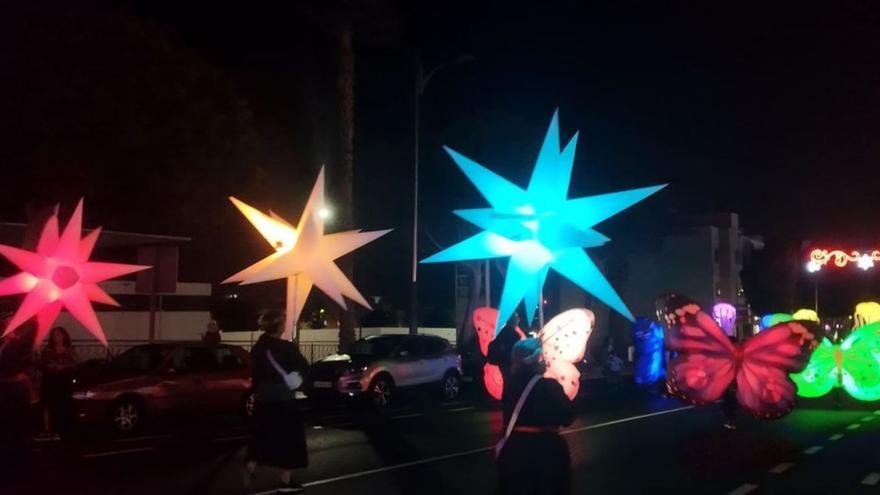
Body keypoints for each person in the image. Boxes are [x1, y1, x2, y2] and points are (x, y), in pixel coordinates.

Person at [497, 338, 576, 495]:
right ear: (535, 359)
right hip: (544, 452)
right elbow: (568, 415)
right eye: (542, 357)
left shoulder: (510, 384)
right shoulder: (548, 386)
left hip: (513, 450)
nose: (545, 362)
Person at [243, 309, 310, 493]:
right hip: (283, 398)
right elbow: (304, 368)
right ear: (280, 326)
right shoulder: (288, 348)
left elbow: (255, 374)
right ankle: (285, 481)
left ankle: (252, 462)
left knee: (263, 433)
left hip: (263, 397)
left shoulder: (258, 348)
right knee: (290, 438)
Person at [38, 327, 78, 440]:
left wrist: (63, 366)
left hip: (63, 381)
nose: (56, 337)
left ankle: (59, 429)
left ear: (64, 336)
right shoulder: (48, 350)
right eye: (54, 334)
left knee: (61, 404)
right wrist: (53, 366)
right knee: (47, 404)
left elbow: (75, 364)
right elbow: (44, 364)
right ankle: (47, 430)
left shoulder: (69, 350)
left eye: (59, 334)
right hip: (50, 380)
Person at [488, 313, 524, 396]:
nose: (518, 321)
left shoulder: (502, 332)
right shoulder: (514, 335)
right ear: (513, 321)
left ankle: (506, 400)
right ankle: (510, 401)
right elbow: (516, 350)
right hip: (510, 363)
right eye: (517, 319)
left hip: (503, 363)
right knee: (512, 384)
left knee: (507, 383)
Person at [722, 334, 738, 430]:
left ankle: (731, 422)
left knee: (728, 403)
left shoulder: (728, 354)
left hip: (728, 382)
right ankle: (731, 421)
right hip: (734, 382)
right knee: (731, 402)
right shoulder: (738, 352)